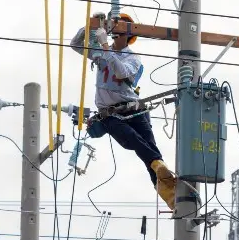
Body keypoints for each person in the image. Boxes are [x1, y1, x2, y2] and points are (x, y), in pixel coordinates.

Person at [70, 12, 177, 209]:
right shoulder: (101, 51)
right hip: (109, 113)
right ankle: (158, 166)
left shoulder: (133, 58)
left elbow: (120, 71)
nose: (114, 34)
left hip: (133, 109)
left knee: (150, 150)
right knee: (136, 141)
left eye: (119, 30)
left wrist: (104, 47)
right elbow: (76, 44)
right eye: (113, 29)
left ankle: (170, 196)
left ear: (128, 35)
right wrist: (92, 26)